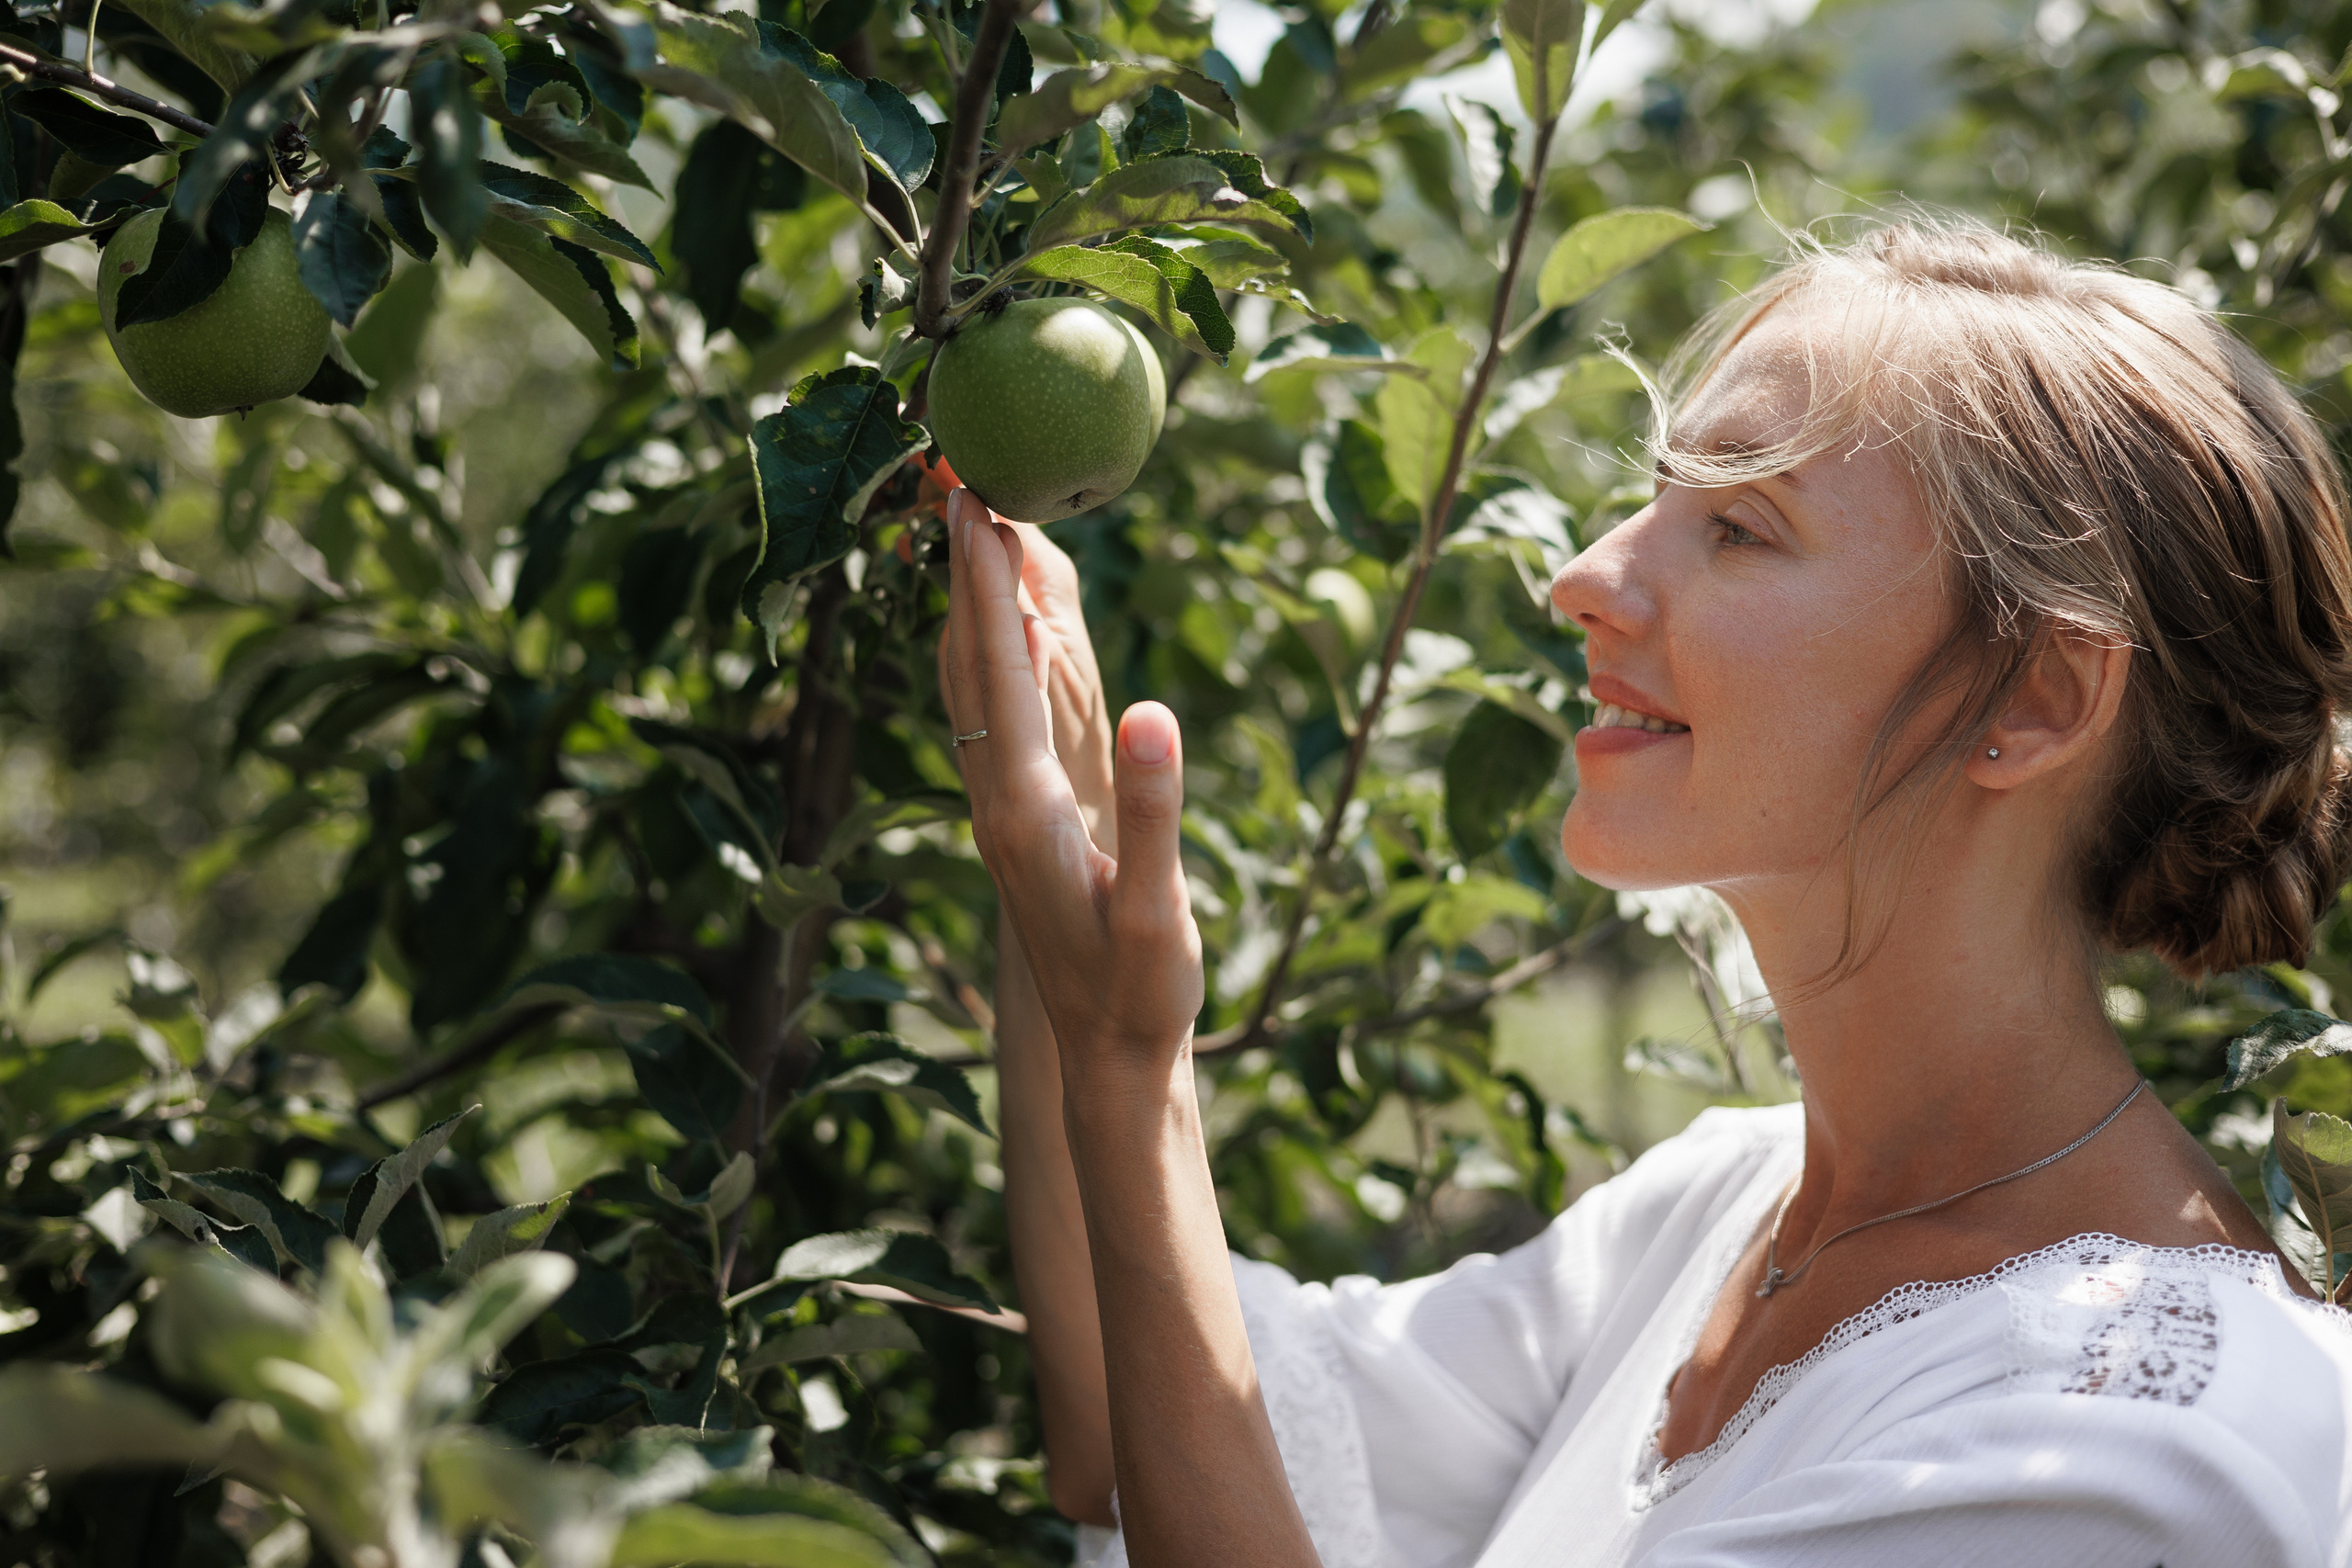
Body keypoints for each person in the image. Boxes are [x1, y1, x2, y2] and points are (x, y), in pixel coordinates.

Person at [936, 219, 2352, 1568]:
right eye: (1656, 497)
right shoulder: (1724, 1210)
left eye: (1741, 525)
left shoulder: (2129, 1443)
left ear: (2037, 696)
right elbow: (1148, 1437)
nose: (1584, 577)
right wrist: (1053, 837)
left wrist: (1133, 1077)